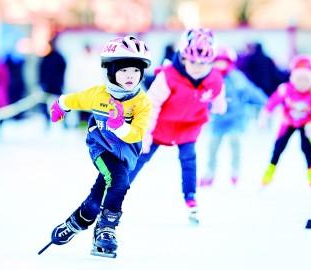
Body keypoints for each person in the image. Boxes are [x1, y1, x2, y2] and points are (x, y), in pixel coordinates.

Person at [46, 36, 152, 258]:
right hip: (101, 147)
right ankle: (106, 229)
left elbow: (137, 134)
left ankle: (76, 222)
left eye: (135, 70)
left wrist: (120, 126)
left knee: (100, 194)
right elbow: (73, 99)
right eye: (123, 71)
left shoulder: (142, 102)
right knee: (119, 181)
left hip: (126, 152)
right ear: (111, 72)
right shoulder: (99, 95)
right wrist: (59, 106)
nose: (130, 76)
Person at [128, 28, 227, 224]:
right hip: (160, 126)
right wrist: (144, 135)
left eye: (203, 63)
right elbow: (151, 105)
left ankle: (190, 197)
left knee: (189, 159)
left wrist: (219, 105)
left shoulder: (214, 79)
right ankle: (117, 189)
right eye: (192, 61)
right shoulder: (168, 77)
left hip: (189, 126)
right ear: (182, 57)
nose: (197, 67)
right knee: (140, 156)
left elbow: (218, 99)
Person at [258, 55, 311, 188]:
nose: (302, 83)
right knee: (279, 147)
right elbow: (271, 103)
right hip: (288, 122)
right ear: (293, 78)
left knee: (307, 148)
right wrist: (264, 116)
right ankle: (269, 172)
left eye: (306, 79)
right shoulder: (285, 89)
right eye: (299, 79)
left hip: (307, 123)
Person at [199, 46, 268, 187]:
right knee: (212, 146)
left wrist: (267, 103)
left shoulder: (237, 77)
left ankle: (235, 172)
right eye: (217, 61)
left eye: (223, 62)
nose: (220, 65)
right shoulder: (209, 78)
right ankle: (209, 173)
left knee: (235, 142)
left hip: (236, 118)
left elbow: (250, 91)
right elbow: (201, 95)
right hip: (218, 120)